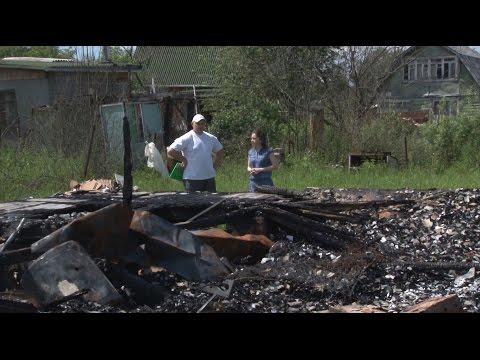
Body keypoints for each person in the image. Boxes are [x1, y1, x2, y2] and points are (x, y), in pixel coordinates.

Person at [167, 114, 224, 192]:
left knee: (211, 200)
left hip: (209, 177)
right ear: (192, 124)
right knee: (193, 202)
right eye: (198, 123)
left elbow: (220, 151)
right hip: (191, 178)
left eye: (202, 124)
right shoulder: (187, 138)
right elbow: (170, 151)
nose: (200, 126)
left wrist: (215, 166)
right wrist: (184, 160)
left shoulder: (211, 138)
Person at [247, 128, 279, 192]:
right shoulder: (250, 152)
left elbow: (275, 166)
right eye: (251, 138)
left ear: (260, 139)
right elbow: (248, 167)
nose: (252, 140)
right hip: (253, 184)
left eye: (254, 138)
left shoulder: (268, 151)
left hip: (265, 183)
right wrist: (251, 170)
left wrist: (261, 169)